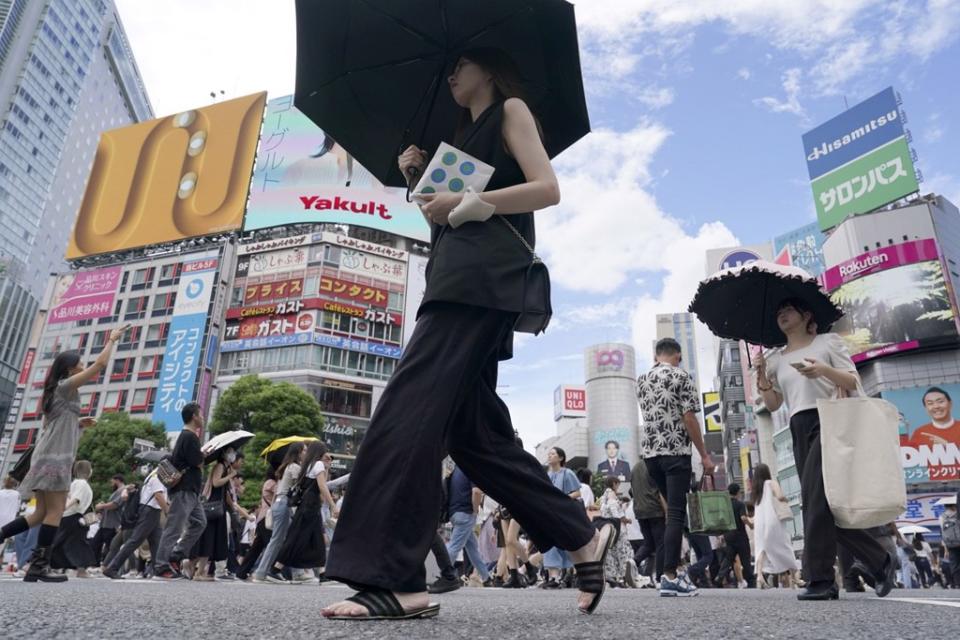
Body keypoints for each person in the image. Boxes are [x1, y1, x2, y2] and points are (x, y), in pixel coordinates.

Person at [321, 48, 614, 620]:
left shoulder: (511, 110)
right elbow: (441, 217)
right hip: (455, 278)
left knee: (406, 412)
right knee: (476, 437)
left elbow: (547, 188)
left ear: (489, 65)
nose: (451, 74)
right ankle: (578, 534)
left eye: (460, 64)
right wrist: (418, 177)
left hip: (479, 286)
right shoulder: (458, 140)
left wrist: (468, 201)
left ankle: (397, 581)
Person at [754, 297, 897, 600]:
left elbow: (852, 379)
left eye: (788, 309)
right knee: (819, 504)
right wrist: (761, 375)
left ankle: (819, 578)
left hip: (829, 420)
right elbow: (774, 404)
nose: (782, 314)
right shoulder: (777, 359)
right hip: (798, 426)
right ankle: (880, 561)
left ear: (806, 315)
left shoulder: (827, 342)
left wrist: (822, 371)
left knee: (817, 500)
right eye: (779, 311)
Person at [0, 327, 125, 582]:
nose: (83, 365)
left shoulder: (57, 391)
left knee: (38, 515)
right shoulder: (66, 386)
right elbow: (100, 365)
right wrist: (112, 339)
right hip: (56, 458)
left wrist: (78, 423)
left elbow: (52, 427)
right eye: (79, 363)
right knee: (55, 512)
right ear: (69, 369)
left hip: (47, 456)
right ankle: (38, 566)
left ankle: (25, 556)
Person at [638, 337, 714, 597]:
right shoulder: (682, 376)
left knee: (672, 511)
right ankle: (669, 575)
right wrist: (704, 454)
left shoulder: (642, 379)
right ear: (678, 356)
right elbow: (689, 416)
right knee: (676, 513)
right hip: (675, 452)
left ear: (656, 354)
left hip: (650, 454)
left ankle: (674, 570)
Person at [154, 402, 207, 580]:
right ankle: (161, 566)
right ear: (194, 416)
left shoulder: (188, 437)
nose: (203, 417)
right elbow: (197, 462)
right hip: (184, 489)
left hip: (191, 490)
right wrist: (204, 455)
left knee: (200, 522)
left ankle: (176, 555)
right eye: (201, 414)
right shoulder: (189, 437)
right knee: (173, 529)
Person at [277, 442, 338, 579]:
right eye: (326, 451)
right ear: (320, 452)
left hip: (307, 505)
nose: (327, 454)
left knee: (316, 539)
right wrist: (333, 506)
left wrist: (327, 467)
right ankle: (276, 568)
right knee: (297, 537)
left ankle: (322, 572)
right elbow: (322, 487)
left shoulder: (309, 465)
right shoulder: (318, 464)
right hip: (311, 506)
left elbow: (320, 483)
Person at [254, 442, 305, 584]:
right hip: (283, 504)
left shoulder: (287, 467)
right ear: (299, 452)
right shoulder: (294, 467)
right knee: (277, 540)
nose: (306, 453)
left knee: (290, 539)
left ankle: (297, 572)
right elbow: (301, 484)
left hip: (280, 504)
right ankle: (261, 572)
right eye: (304, 450)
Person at [103, 467, 168, 579]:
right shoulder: (157, 476)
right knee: (135, 540)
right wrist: (167, 511)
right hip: (151, 511)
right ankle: (112, 567)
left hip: (153, 511)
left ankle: (158, 569)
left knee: (156, 541)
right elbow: (158, 495)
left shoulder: (152, 475)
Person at [189, 447, 236, 582]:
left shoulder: (225, 468)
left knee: (210, 540)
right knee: (208, 539)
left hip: (217, 508)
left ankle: (195, 568)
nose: (233, 454)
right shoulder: (220, 466)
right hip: (213, 508)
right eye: (230, 452)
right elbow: (216, 483)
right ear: (224, 454)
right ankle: (197, 571)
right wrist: (230, 476)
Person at [750, 464, 800, 588]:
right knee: (784, 545)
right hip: (772, 521)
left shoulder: (756, 490)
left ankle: (760, 577)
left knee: (762, 548)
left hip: (760, 524)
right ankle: (795, 576)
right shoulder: (771, 483)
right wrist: (786, 500)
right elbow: (780, 496)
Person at [540, 447, 582, 589]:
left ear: (561, 458)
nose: (550, 456)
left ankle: (574, 572)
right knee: (550, 544)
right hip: (549, 514)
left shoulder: (567, 473)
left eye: (553, 454)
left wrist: (563, 499)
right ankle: (554, 577)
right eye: (549, 454)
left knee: (567, 545)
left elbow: (577, 493)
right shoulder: (546, 474)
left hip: (564, 514)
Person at [443, 465, 492, 587]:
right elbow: (476, 492)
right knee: (454, 547)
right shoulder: (472, 468)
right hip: (466, 513)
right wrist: (475, 511)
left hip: (455, 512)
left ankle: (486, 577)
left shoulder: (457, 469)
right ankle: (441, 575)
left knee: (473, 548)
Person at [49, 460, 96, 577]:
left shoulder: (73, 483)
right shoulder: (82, 483)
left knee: (62, 541)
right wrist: (64, 508)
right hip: (74, 516)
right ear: (89, 471)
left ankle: (48, 564)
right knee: (78, 542)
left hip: (67, 516)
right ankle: (81, 570)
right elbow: (76, 499)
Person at [237, 467, 276, 581]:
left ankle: (242, 572)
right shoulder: (271, 483)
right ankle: (268, 572)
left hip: (262, 519)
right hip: (266, 520)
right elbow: (281, 493)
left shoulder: (270, 482)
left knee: (256, 549)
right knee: (271, 546)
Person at [631, 458, 666, 582]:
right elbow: (660, 491)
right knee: (662, 543)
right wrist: (667, 512)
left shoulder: (635, 468)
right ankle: (661, 577)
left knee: (649, 543)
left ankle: (633, 561)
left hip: (640, 510)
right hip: (655, 509)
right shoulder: (655, 466)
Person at [599, 476, 633, 588]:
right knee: (622, 553)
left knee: (610, 553)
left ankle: (613, 577)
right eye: (618, 484)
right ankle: (622, 578)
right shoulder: (612, 495)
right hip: (617, 528)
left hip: (607, 528)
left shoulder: (603, 496)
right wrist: (626, 519)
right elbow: (615, 512)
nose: (618, 487)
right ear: (614, 483)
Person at [722, 484, 755, 589]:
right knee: (745, 559)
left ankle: (719, 576)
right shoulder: (740, 504)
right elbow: (743, 518)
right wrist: (751, 525)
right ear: (738, 493)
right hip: (740, 535)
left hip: (728, 535)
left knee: (729, 558)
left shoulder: (724, 505)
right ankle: (750, 581)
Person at [91, 474, 125, 566]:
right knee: (95, 544)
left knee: (111, 547)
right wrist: (104, 506)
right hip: (105, 524)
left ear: (117, 480)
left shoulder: (122, 490)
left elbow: (115, 505)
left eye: (112, 481)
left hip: (112, 524)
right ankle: (95, 565)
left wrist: (102, 506)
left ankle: (111, 566)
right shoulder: (116, 491)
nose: (111, 484)